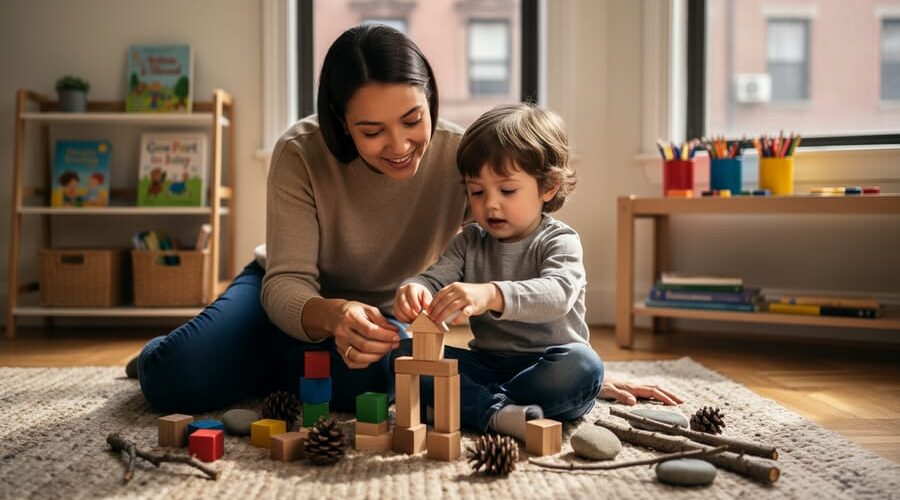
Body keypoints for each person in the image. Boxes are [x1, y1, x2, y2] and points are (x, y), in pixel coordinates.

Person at [135, 24, 468, 413]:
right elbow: (286, 281)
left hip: (377, 315)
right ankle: (187, 352)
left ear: (430, 99)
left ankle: (255, 364)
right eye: (373, 131)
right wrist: (333, 315)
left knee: (374, 383)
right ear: (342, 122)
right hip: (280, 293)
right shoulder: (300, 151)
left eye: (413, 120)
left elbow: (487, 252)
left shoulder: (460, 155)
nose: (399, 146)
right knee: (173, 378)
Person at [393, 104, 682, 440]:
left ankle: (468, 406)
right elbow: (434, 277)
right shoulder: (470, 239)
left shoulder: (559, 240)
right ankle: (496, 412)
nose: (490, 204)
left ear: (548, 186)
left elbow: (557, 294)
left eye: (507, 190)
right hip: (486, 364)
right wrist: (416, 288)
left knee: (584, 366)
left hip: (546, 366)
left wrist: (491, 294)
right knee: (404, 352)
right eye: (477, 191)